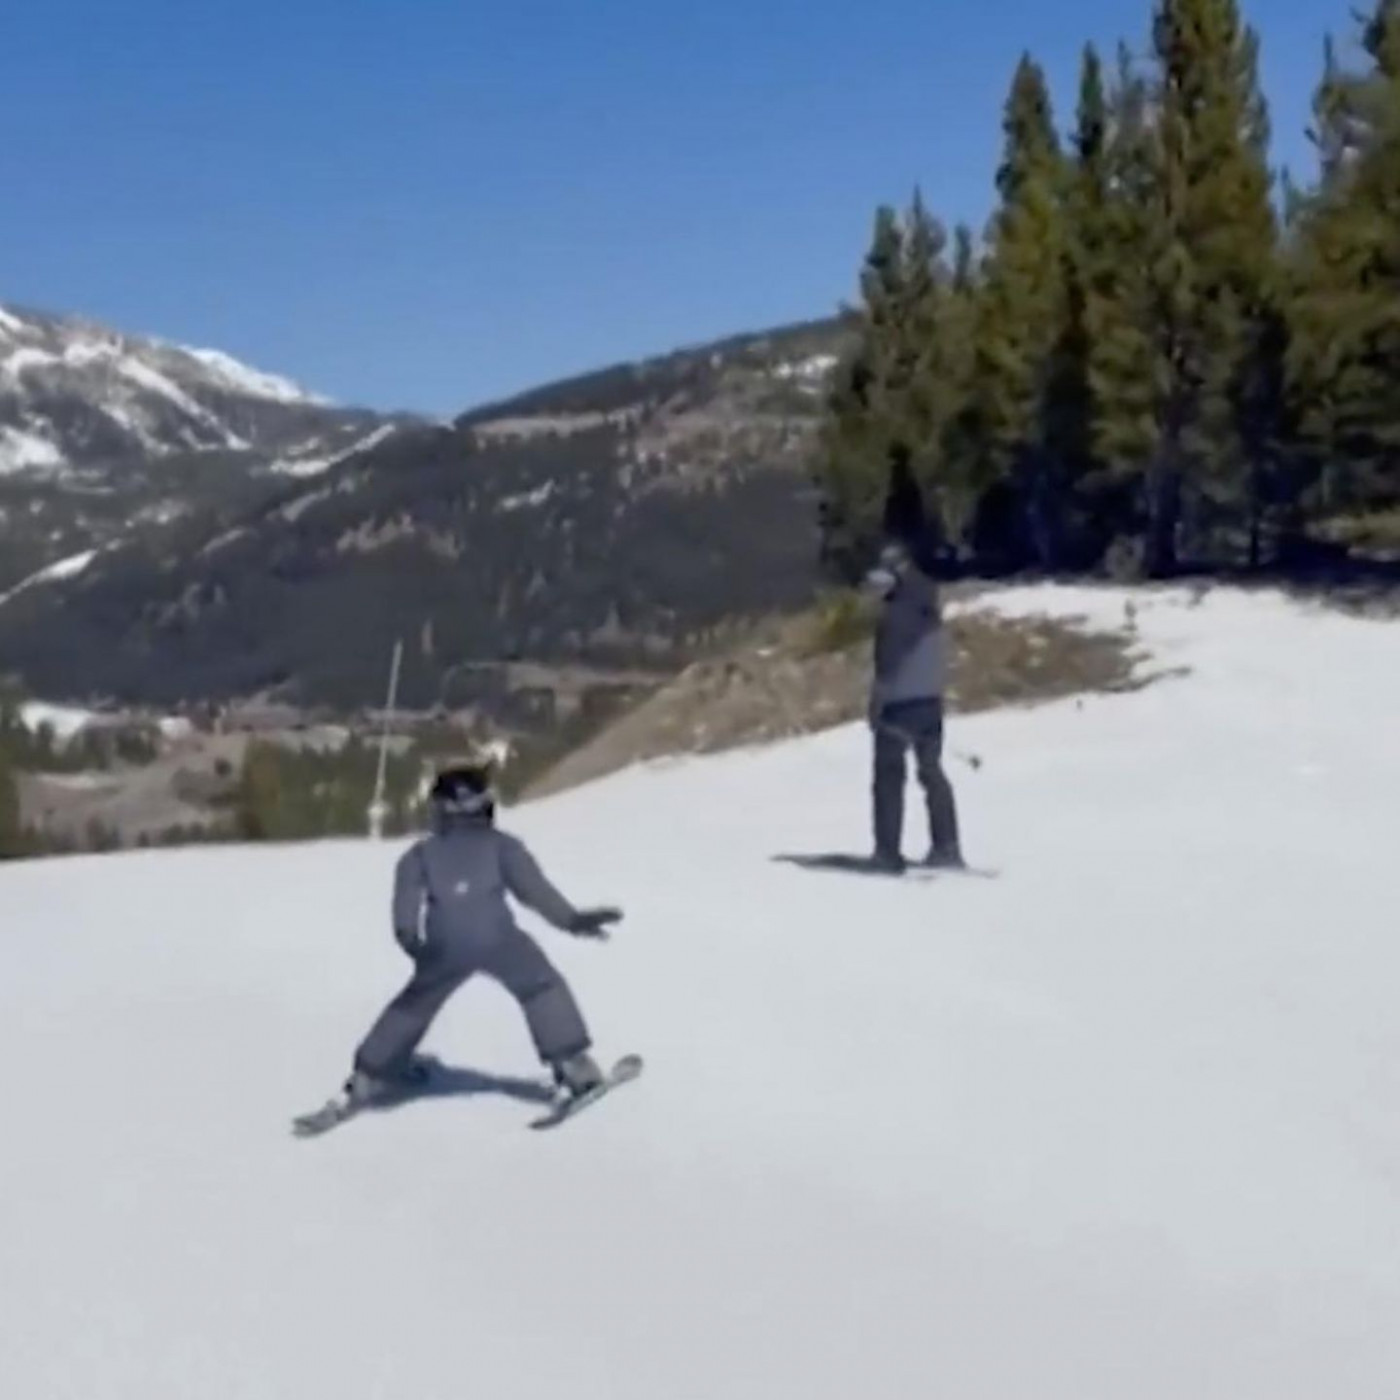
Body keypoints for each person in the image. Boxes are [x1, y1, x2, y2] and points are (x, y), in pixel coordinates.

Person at [336, 762, 621, 1113]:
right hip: (498, 937)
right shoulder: (502, 846)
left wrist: (411, 940)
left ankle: (369, 1076)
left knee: (414, 1004)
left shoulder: (419, 855)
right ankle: (575, 1067)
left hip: (443, 943)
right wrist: (572, 921)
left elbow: (405, 903)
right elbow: (535, 892)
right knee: (540, 986)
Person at [865, 534, 964, 874]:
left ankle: (887, 854)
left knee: (889, 777)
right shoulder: (927, 603)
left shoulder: (896, 614)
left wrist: (876, 703)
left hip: (899, 705)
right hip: (931, 702)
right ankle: (947, 846)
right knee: (931, 772)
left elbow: (888, 665)